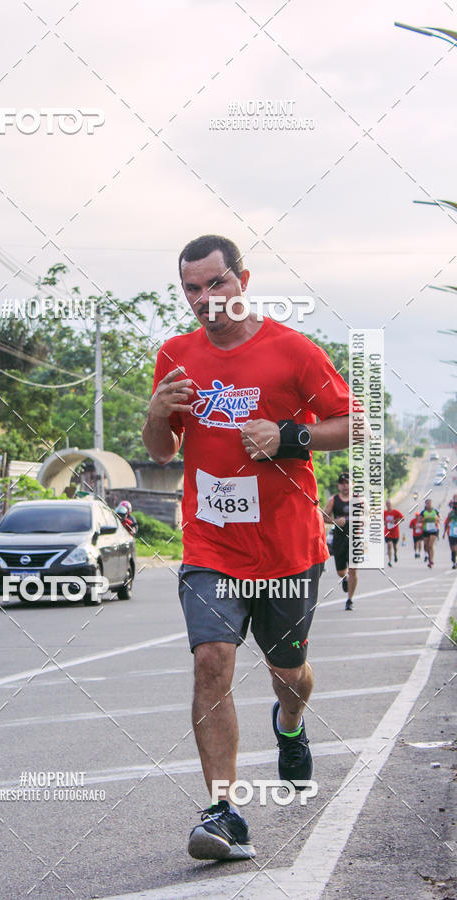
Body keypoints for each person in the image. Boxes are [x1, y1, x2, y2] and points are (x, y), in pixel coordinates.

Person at [142, 234, 354, 861]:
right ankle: (224, 811)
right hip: (211, 544)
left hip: (288, 546)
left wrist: (290, 436)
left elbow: (351, 425)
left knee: (288, 675)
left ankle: (289, 723)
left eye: (217, 284)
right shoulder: (175, 356)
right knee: (212, 659)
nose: (205, 300)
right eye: (191, 289)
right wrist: (156, 412)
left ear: (244, 279)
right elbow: (160, 450)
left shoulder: (292, 350)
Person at [323, 473, 357, 611]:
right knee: (341, 572)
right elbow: (324, 517)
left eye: (347, 482)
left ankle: (350, 600)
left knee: (354, 570)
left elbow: (369, 516)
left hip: (355, 538)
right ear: (338, 485)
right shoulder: (333, 500)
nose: (345, 485)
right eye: (342, 483)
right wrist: (335, 521)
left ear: (352, 484)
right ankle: (345, 578)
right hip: (339, 539)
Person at [421, 498, 440, 568]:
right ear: (425, 504)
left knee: (430, 545)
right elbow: (420, 520)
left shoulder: (435, 511)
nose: (428, 504)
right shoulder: (423, 512)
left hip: (434, 530)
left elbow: (439, 518)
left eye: (430, 503)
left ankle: (431, 560)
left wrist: (437, 518)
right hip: (426, 530)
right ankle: (429, 559)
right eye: (427, 503)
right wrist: (425, 518)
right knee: (426, 546)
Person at [383, 500, 403, 566]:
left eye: (389, 504)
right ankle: (390, 561)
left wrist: (395, 521)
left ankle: (395, 554)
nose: (388, 505)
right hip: (387, 532)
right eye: (387, 504)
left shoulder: (396, 512)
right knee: (389, 545)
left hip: (395, 532)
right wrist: (384, 523)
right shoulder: (384, 513)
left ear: (391, 504)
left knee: (394, 546)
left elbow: (402, 518)